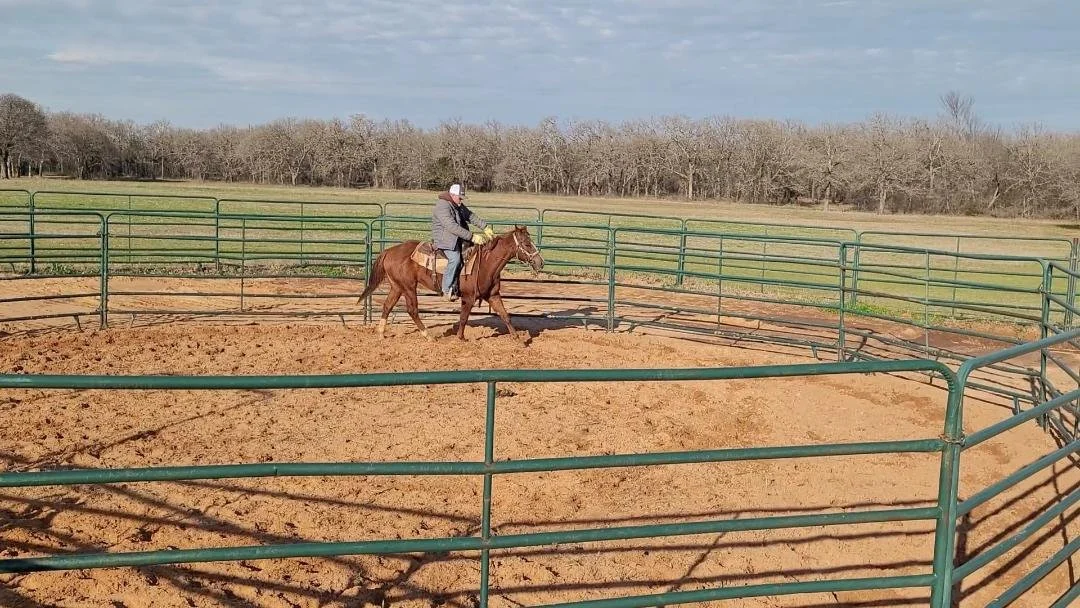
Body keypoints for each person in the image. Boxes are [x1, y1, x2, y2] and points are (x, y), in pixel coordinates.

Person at [432, 183, 494, 301]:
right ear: (452, 195)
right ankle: (446, 288)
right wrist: (472, 237)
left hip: (456, 238)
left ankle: (461, 286)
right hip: (444, 240)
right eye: (460, 198)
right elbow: (452, 226)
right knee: (455, 259)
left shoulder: (457, 205)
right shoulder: (442, 206)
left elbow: (470, 216)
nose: (461, 200)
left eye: (462, 198)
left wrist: (485, 227)